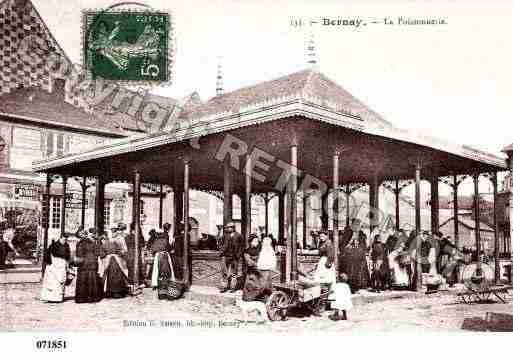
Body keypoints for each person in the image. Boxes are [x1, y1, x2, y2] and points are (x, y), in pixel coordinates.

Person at [339, 219, 370, 293]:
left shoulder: (362, 234)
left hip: (359, 256)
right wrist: (350, 242)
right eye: (356, 224)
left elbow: (364, 245)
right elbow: (343, 245)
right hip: (349, 256)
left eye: (358, 225)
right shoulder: (348, 233)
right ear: (352, 225)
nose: (357, 226)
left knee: (360, 271)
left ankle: (360, 285)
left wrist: (362, 248)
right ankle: (351, 287)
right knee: (351, 271)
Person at [100, 224, 129, 299]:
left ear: (117, 231)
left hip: (118, 259)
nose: (113, 232)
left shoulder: (121, 238)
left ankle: (118, 291)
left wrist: (120, 253)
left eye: (114, 231)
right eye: (112, 231)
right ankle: (110, 291)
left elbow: (125, 250)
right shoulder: (109, 239)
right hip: (110, 259)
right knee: (109, 275)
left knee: (118, 274)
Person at [74, 229, 103, 303]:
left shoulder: (80, 243)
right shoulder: (92, 242)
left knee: (83, 280)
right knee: (91, 280)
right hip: (92, 262)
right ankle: (92, 297)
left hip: (84, 263)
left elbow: (79, 254)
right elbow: (97, 252)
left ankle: (82, 298)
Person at [40, 236, 70, 303]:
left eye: (65, 239)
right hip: (53, 265)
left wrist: (67, 263)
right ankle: (48, 297)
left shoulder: (66, 245)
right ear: (60, 238)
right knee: (51, 281)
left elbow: (68, 256)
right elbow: (47, 255)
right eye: (63, 239)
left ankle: (58, 298)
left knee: (60, 280)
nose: (64, 241)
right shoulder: (54, 245)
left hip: (62, 265)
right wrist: (49, 263)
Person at [219, 222, 244, 293]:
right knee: (224, 273)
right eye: (227, 227)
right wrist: (221, 251)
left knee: (234, 273)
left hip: (234, 257)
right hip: (225, 256)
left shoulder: (239, 236)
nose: (227, 229)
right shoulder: (224, 235)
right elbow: (220, 243)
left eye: (229, 227)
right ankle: (224, 287)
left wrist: (238, 255)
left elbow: (242, 247)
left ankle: (233, 288)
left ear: (233, 228)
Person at [150, 231, 175, 297]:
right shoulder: (166, 241)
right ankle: (168, 283)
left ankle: (155, 283)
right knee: (167, 270)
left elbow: (153, 250)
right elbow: (170, 248)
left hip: (158, 256)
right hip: (165, 255)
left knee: (156, 270)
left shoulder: (156, 241)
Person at [242, 235, 264, 301]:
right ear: (251, 242)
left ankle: (259, 296)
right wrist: (257, 266)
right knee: (250, 286)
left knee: (259, 284)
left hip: (258, 270)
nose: (257, 242)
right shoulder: (247, 251)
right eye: (255, 241)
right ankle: (250, 298)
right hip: (251, 271)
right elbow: (249, 262)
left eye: (257, 241)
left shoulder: (260, 250)